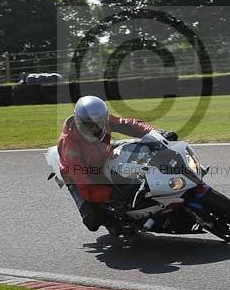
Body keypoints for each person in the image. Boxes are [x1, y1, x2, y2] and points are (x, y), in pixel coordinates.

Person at [57, 95, 177, 232]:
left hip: (103, 153)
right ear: (79, 122)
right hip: (77, 174)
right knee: (93, 220)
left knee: (144, 149)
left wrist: (157, 134)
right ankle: (115, 221)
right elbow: (86, 187)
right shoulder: (70, 146)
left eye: (97, 125)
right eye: (88, 126)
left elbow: (129, 124)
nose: (94, 129)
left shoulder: (104, 121)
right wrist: (114, 194)